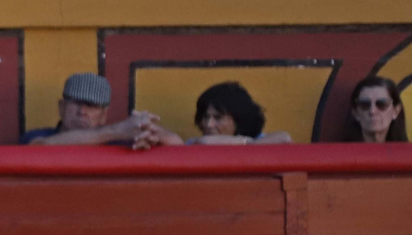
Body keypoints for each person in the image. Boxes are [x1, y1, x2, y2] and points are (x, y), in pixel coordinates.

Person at [20, 73, 168, 148]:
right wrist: (118, 130)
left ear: (104, 115)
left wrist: (146, 128)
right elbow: (40, 147)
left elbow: (176, 143)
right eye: (77, 103)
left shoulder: (117, 144)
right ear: (61, 107)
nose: (83, 111)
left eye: (92, 106)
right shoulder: (38, 136)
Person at [155, 82, 290, 146]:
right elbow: (203, 143)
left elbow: (284, 137)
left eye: (218, 118)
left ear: (239, 118)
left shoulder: (260, 140)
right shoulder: (194, 144)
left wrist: (246, 143)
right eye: (205, 117)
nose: (208, 124)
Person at [343, 76, 406, 143]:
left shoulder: (408, 153)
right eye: (364, 104)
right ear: (356, 113)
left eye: (381, 104)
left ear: (395, 111)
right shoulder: (340, 152)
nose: (372, 111)